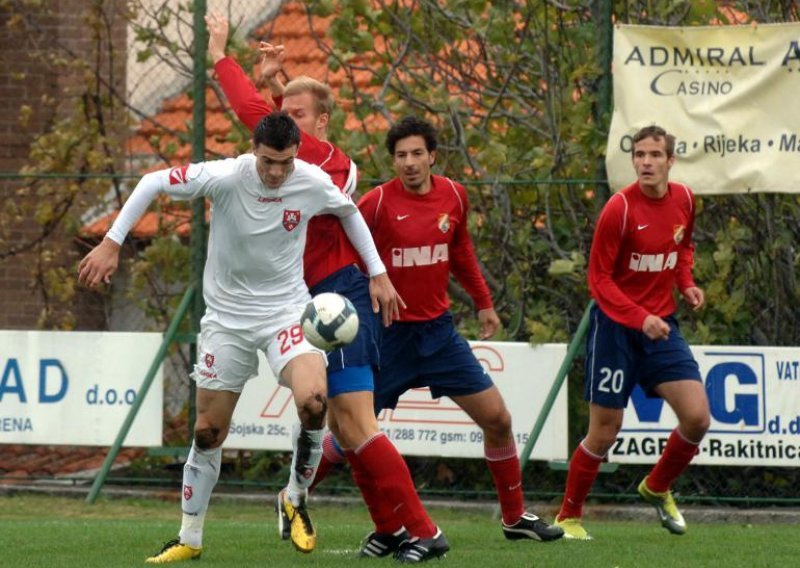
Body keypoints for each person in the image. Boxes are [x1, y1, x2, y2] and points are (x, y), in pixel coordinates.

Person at [78, 112, 401, 563]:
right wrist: (112, 241)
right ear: (254, 150)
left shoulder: (308, 179)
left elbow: (349, 212)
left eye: (284, 163)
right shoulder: (225, 176)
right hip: (227, 320)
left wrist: (378, 273)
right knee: (209, 431)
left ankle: (295, 497)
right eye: (269, 162)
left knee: (313, 402)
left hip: (287, 310)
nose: (276, 172)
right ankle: (189, 536)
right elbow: (151, 182)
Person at [206, 14, 449, 562]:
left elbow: (254, 116)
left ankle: (425, 531)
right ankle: (389, 529)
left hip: (340, 300)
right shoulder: (291, 160)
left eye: (295, 116)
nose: (282, 123)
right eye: (282, 112)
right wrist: (277, 84)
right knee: (342, 423)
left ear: (320, 123)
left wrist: (221, 53)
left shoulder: (327, 164)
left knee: (358, 422)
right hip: (301, 302)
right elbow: (269, 125)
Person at [350, 115, 564, 552]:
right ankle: (307, 503)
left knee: (498, 419)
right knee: (349, 432)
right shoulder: (373, 204)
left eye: (416, 154)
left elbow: (461, 250)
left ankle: (514, 517)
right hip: (389, 337)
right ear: (392, 161)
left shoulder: (454, 195)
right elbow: (351, 260)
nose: (409, 163)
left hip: (440, 336)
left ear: (432, 156)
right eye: (400, 156)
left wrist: (483, 302)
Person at [553, 125, 710, 540]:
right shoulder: (619, 209)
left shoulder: (685, 200)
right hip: (616, 329)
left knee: (697, 417)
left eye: (655, 155)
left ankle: (657, 486)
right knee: (604, 430)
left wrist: (687, 283)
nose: (645, 162)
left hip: (662, 326)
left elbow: (682, 248)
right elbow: (598, 281)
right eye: (639, 154)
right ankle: (568, 517)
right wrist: (639, 317)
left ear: (670, 161)